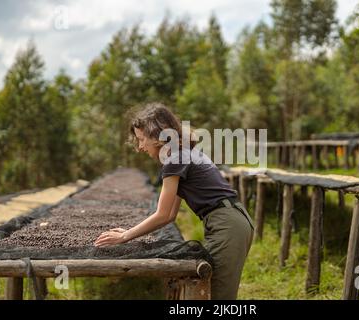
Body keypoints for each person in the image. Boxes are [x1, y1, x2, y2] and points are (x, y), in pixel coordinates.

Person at [94, 102, 254, 300]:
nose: (140, 147)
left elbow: (161, 215)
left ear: (157, 136)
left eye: (142, 139)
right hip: (233, 221)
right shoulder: (182, 153)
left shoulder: (174, 159)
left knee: (214, 298)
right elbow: (170, 215)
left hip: (227, 225)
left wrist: (125, 236)